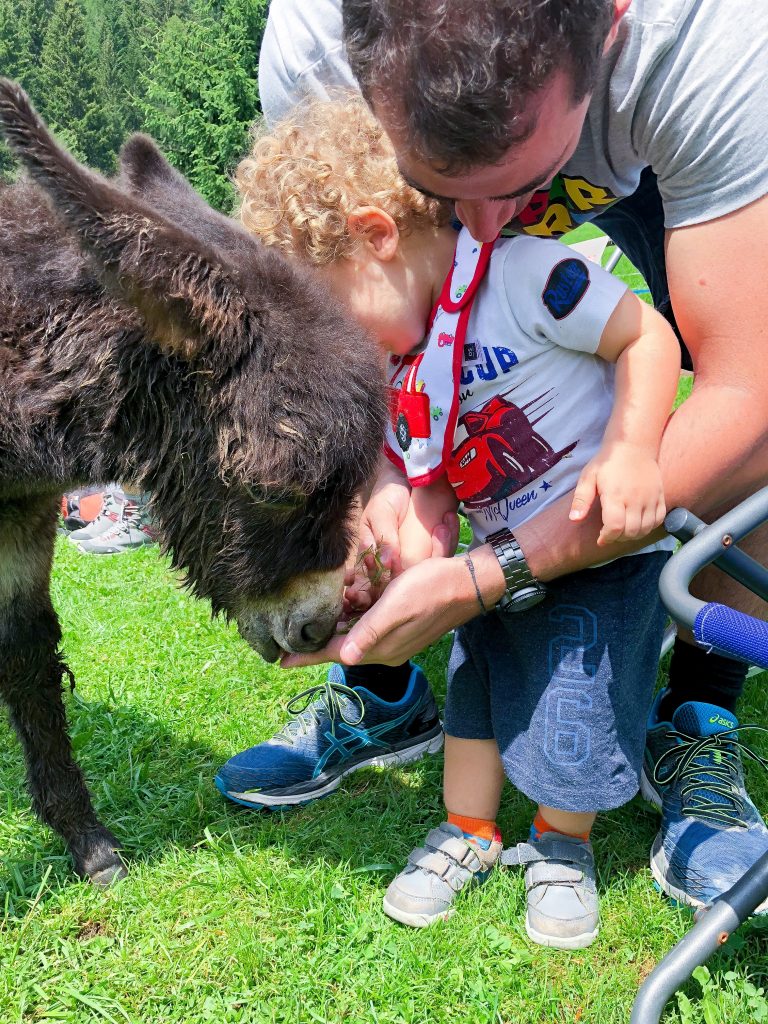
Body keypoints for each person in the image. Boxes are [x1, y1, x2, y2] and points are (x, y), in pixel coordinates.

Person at [244, 0, 768, 917]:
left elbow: (747, 393)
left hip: (645, 163)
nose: (486, 229)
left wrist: (608, 472)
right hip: (436, 325)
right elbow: (370, 352)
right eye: (440, 189)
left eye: (513, 181)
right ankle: (382, 694)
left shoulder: (708, 37)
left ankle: (697, 717)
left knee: (593, 641)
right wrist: (390, 486)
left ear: (610, 27)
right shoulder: (312, 46)